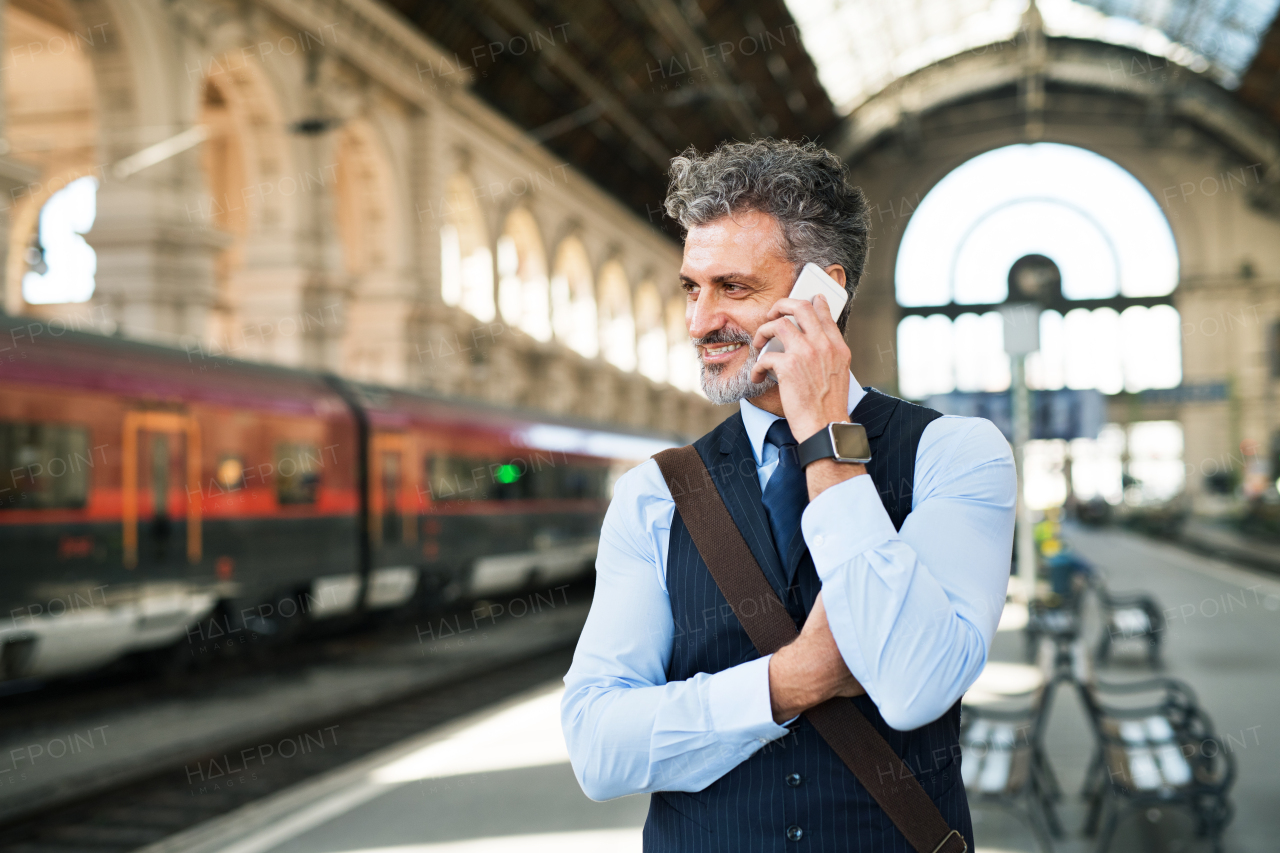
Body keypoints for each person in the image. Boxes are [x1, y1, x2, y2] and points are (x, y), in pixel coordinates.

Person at [561, 139, 1016, 852]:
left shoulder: (956, 455)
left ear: (822, 292)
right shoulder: (653, 493)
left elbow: (914, 683)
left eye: (733, 288)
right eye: (692, 286)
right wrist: (789, 681)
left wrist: (827, 435)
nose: (699, 320)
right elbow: (596, 747)